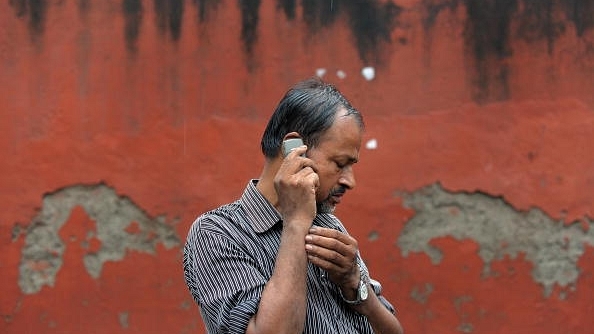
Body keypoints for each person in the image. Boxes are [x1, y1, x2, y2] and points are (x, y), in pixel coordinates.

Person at [183, 77, 404, 334]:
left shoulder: (328, 223)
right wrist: (296, 224)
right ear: (294, 149)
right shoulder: (217, 233)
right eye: (339, 163)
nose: (349, 181)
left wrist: (355, 286)